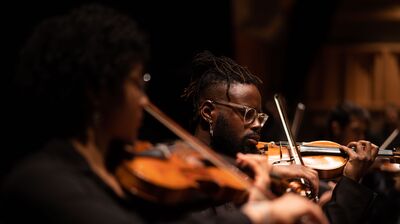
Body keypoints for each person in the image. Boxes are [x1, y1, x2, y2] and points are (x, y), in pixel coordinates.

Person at [0, 4, 328, 224]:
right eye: (135, 82)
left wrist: (254, 191)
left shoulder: (110, 171)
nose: (143, 99)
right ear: (97, 92)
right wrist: (262, 215)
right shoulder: (39, 182)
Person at [182, 51, 379, 224]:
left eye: (259, 116)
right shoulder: (185, 180)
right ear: (208, 112)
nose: (258, 124)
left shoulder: (250, 173)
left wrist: (351, 180)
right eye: (247, 114)